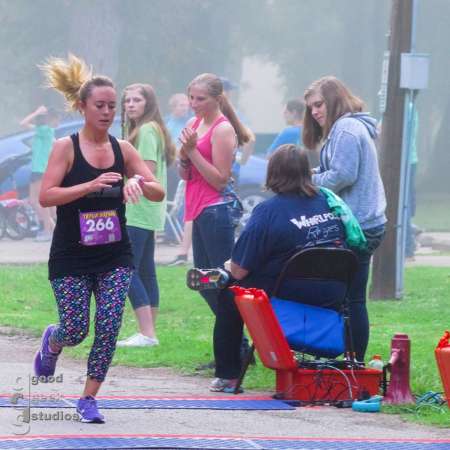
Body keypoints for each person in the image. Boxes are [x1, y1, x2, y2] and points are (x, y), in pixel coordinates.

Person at [33, 54, 165, 423]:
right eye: (100, 106)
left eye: (113, 106)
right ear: (82, 106)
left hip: (114, 254)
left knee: (109, 325)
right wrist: (89, 185)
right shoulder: (66, 147)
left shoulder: (123, 149)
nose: (107, 112)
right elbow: (46, 196)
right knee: (76, 328)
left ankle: (89, 398)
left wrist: (140, 181)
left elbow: (157, 191)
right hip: (71, 255)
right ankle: (54, 341)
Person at [188, 145, 347, 392]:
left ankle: (228, 375)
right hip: (333, 293)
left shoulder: (268, 211)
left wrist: (229, 269)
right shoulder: (329, 203)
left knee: (230, 292)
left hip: (288, 293)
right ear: (307, 171)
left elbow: (240, 269)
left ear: (272, 173)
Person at [302, 75, 387, 363]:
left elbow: (342, 175)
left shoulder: (347, 129)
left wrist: (308, 181)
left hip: (359, 227)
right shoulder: (347, 127)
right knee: (347, 297)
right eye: (311, 107)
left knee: (351, 299)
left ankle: (354, 361)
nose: (314, 112)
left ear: (334, 99)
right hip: (363, 223)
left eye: (319, 104)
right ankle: (349, 359)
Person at [178, 73, 251, 363]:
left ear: (217, 99)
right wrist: (184, 156)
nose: (194, 104)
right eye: (191, 98)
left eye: (200, 99)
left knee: (220, 282)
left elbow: (220, 180)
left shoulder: (223, 130)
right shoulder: (194, 124)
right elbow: (186, 175)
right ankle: (238, 344)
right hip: (197, 209)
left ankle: (236, 348)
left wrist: (192, 150)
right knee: (204, 282)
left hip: (216, 209)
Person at [117, 83, 176, 347]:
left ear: (148, 103)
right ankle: (149, 333)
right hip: (147, 211)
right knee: (145, 270)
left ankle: (147, 333)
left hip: (138, 210)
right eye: (127, 100)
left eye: (137, 100)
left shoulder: (147, 131)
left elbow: (145, 173)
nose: (130, 104)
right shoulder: (148, 129)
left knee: (125, 269)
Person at [20, 105, 60, 241]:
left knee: (35, 200)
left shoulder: (44, 130)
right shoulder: (46, 132)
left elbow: (23, 123)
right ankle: (52, 228)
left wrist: (36, 111)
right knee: (43, 201)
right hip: (41, 169)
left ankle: (49, 230)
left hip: (39, 170)